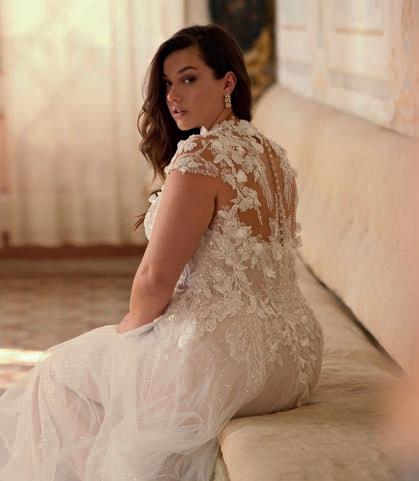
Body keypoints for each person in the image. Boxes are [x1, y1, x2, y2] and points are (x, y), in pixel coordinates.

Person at [0, 24, 324, 481]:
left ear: (228, 82)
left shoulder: (202, 158)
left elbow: (154, 282)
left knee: (57, 377)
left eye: (189, 79)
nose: (173, 95)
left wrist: (123, 338)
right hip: (298, 357)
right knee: (103, 383)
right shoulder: (273, 154)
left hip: (232, 362)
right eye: (168, 83)